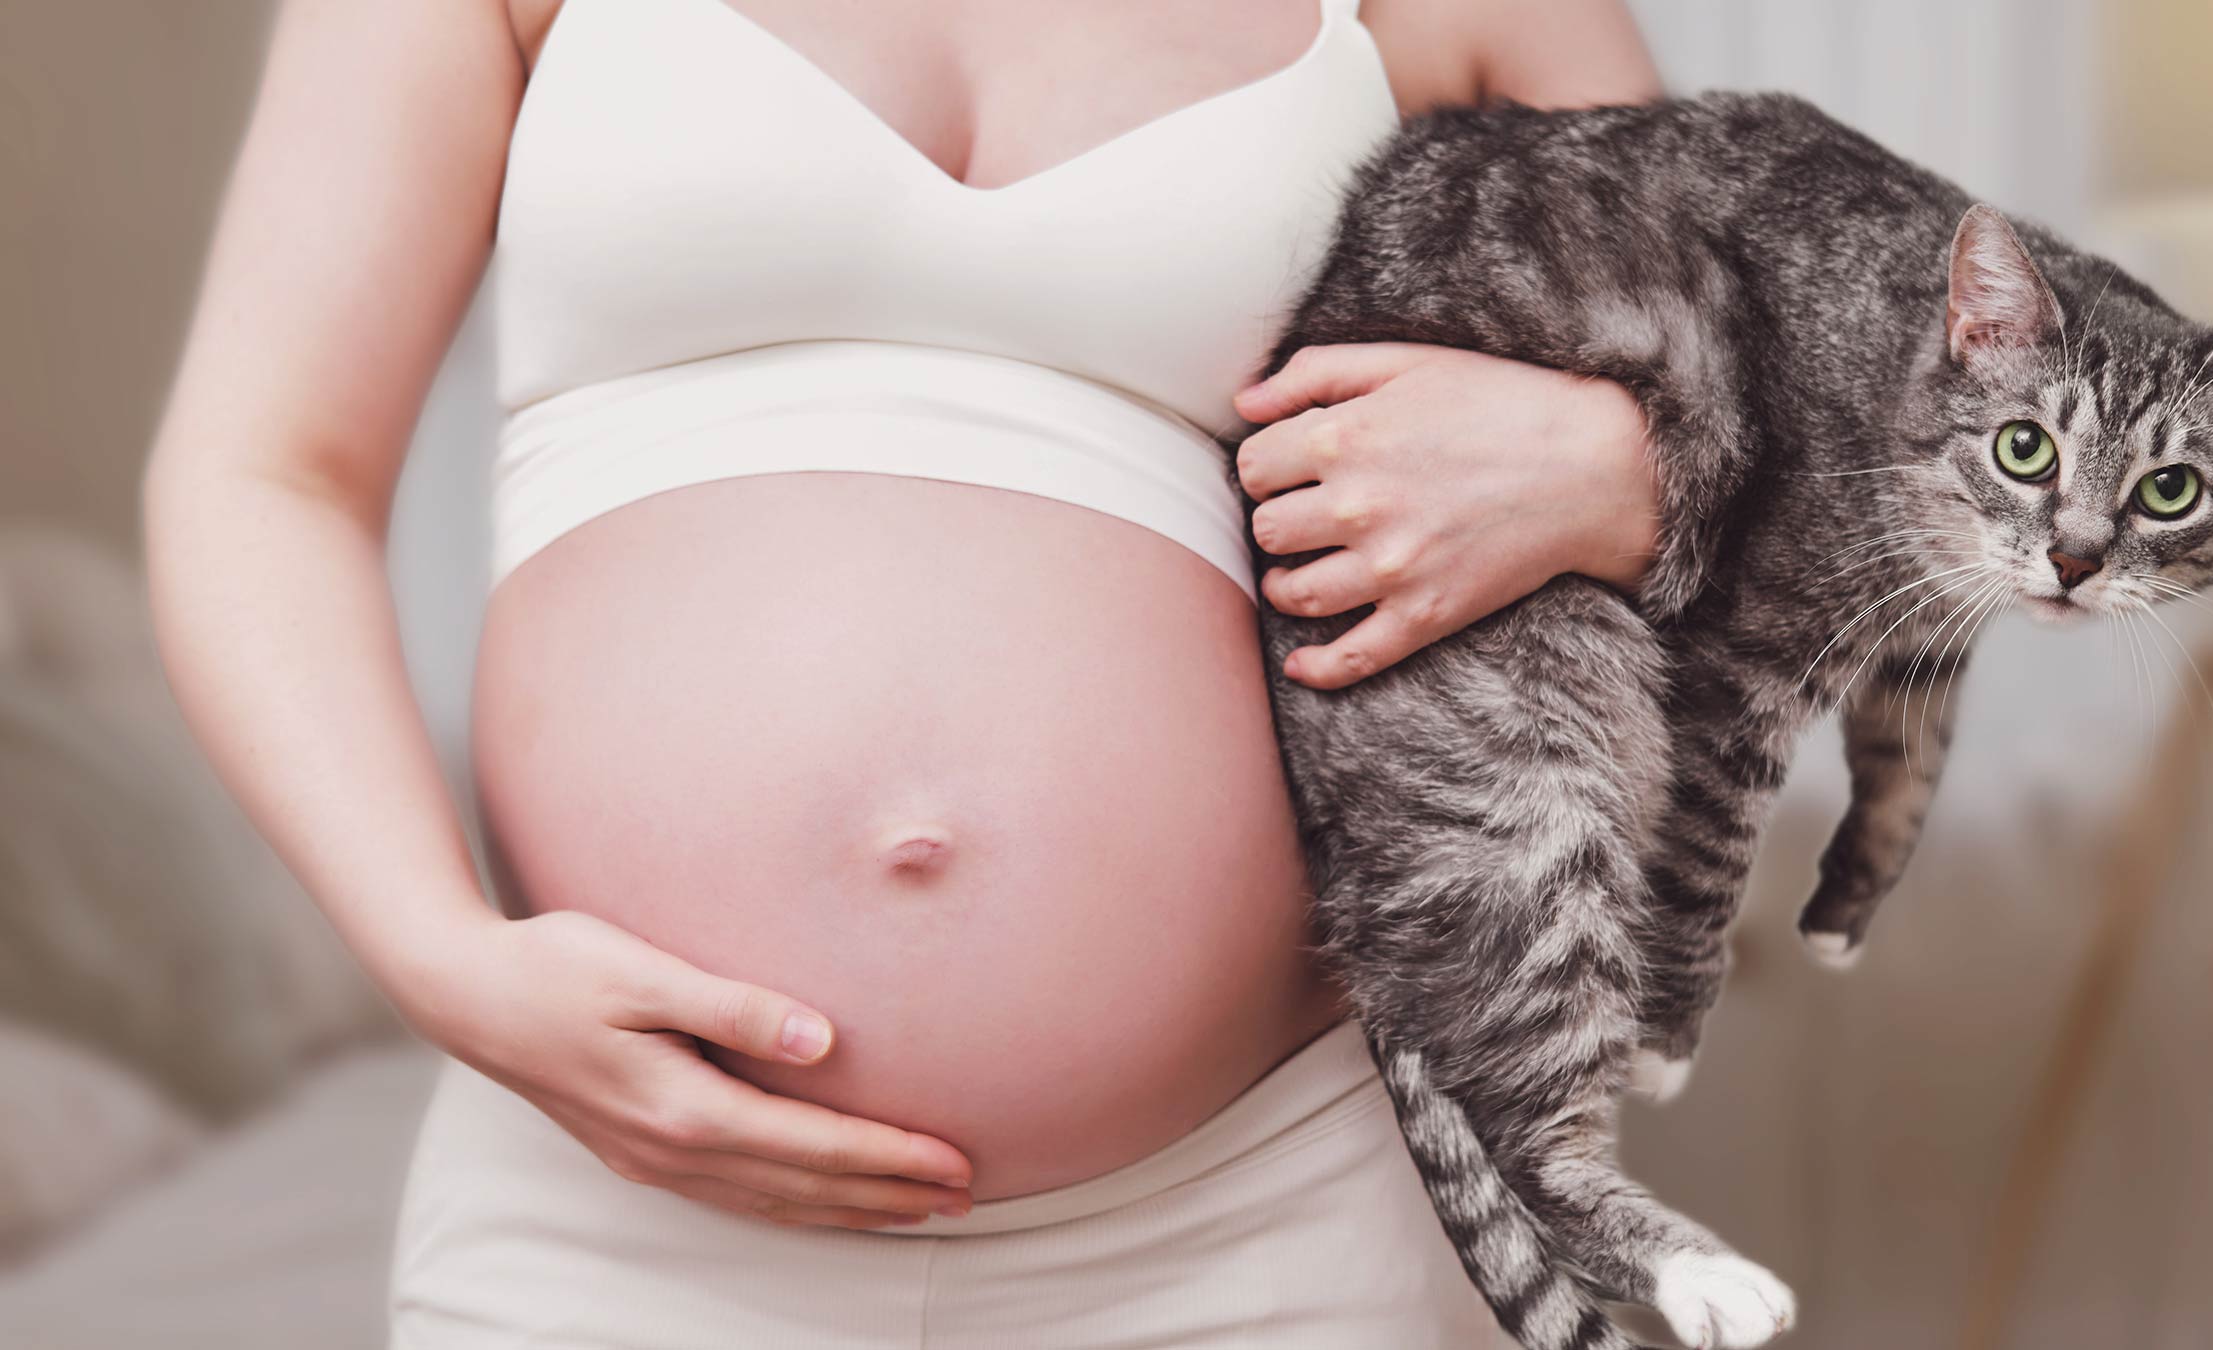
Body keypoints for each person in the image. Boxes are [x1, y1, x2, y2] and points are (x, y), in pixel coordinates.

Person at [142, 0, 1665, 1344]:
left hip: (1265, 1213)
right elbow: (267, 471)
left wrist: (1613, 466)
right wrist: (436, 955)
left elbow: (1833, 422)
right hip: (614, 1222)